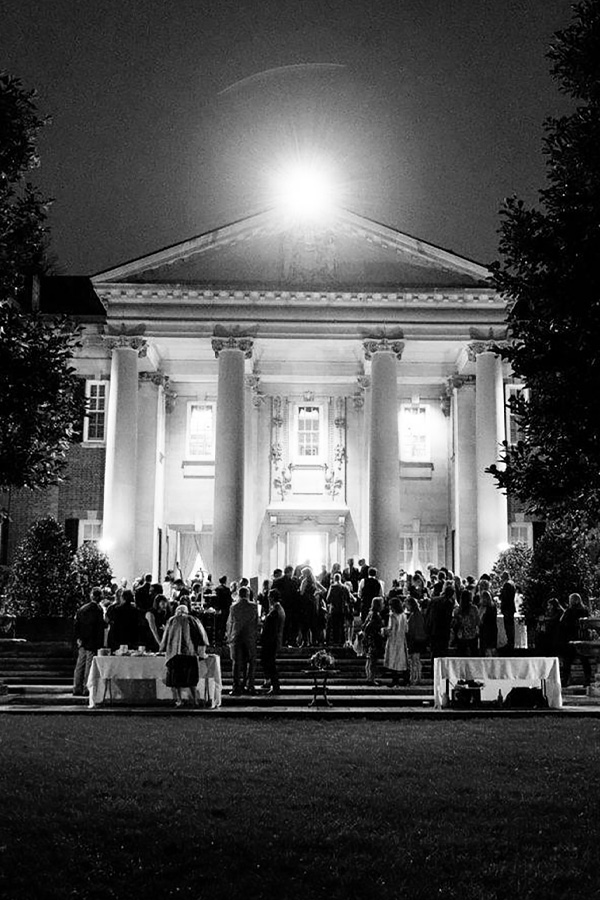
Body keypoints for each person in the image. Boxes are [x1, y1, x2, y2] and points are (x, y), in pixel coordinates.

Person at [160, 604, 208, 707]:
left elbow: (166, 636)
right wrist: (201, 651)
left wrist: (162, 648)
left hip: (174, 653)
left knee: (176, 680)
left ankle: (179, 700)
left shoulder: (172, 620)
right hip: (190, 653)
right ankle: (195, 700)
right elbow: (201, 635)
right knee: (191, 679)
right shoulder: (193, 619)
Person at [226, 585, 259, 695]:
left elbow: (230, 623)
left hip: (237, 637)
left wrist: (229, 636)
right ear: (248, 595)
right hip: (249, 637)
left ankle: (236, 687)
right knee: (251, 662)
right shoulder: (254, 607)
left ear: (239, 595)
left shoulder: (233, 607)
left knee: (236, 663)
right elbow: (256, 623)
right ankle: (250, 686)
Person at [73, 587, 106, 696]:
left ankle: (76, 687)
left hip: (83, 639)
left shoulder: (82, 609)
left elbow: (76, 625)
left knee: (80, 664)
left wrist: (78, 638)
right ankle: (86, 688)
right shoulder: (98, 610)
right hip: (93, 640)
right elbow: (100, 627)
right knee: (89, 665)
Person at [559, 593, 592, 688]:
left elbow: (562, 623)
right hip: (582, 637)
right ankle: (587, 679)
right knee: (584, 660)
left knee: (567, 660)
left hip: (571, 638)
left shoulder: (569, 611)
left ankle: (565, 680)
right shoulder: (584, 610)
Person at [260, 588, 286, 694]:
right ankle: (272, 684)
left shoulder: (275, 610)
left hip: (271, 640)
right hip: (273, 639)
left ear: (271, 597)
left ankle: (275, 686)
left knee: (270, 663)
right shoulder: (278, 609)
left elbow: (271, 627)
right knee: (269, 663)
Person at [383, 595, 409, 687]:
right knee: (401, 660)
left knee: (393, 660)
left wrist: (383, 631)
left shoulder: (392, 616)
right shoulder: (403, 616)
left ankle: (395, 680)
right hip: (401, 639)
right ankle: (405, 678)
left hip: (393, 640)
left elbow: (390, 629)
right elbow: (406, 629)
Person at [363, 596, 386, 685]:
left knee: (369, 660)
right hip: (374, 641)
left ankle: (369, 677)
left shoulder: (370, 613)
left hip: (370, 640)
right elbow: (370, 627)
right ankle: (371, 678)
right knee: (373, 661)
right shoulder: (375, 615)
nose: (383, 605)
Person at [406, 595, 427, 685]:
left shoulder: (414, 615)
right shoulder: (418, 614)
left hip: (415, 639)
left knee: (415, 660)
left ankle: (416, 678)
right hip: (420, 639)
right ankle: (416, 677)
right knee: (416, 660)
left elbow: (412, 628)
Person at [452, 590, 480, 656]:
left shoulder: (457, 610)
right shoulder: (474, 609)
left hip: (461, 635)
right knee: (474, 653)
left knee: (461, 654)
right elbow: (478, 622)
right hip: (472, 634)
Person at [325, 573, 349, 645]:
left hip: (334, 609)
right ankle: (342, 642)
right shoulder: (345, 587)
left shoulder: (332, 587)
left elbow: (328, 599)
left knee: (334, 626)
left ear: (334, 579)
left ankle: (335, 641)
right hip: (342, 609)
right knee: (342, 626)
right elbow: (348, 599)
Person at [499, 572, 517, 651]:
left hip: (507, 608)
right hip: (511, 608)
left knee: (508, 626)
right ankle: (511, 642)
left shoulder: (507, 584)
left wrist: (500, 594)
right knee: (510, 626)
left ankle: (510, 643)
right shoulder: (512, 583)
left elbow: (505, 597)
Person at [478, 590, 498, 657]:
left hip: (485, 630)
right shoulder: (493, 607)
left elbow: (480, 619)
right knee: (492, 648)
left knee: (486, 648)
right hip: (492, 629)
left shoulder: (483, 608)